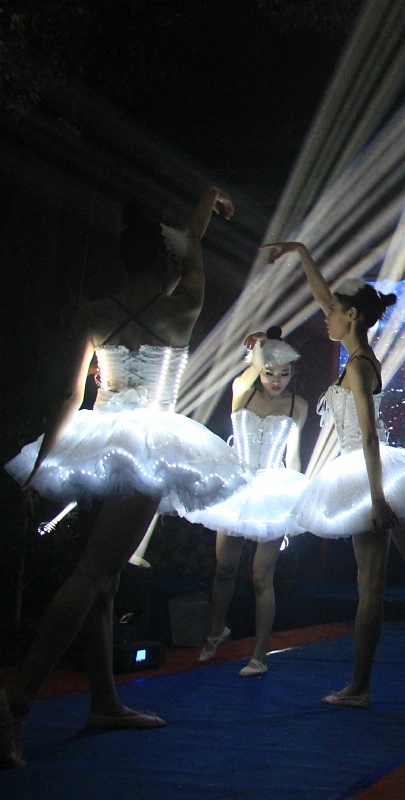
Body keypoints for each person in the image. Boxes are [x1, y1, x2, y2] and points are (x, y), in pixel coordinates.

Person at [1, 188, 241, 768]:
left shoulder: (93, 313)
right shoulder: (183, 307)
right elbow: (192, 251)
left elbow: (69, 397)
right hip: (148, 447)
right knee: (92, 573)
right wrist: (207, 203)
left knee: (103, 579)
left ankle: (104, 702)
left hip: (96, 441)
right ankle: (15, 706)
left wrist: (42, 465)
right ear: (167, 263)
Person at [265, 241, 405, 705]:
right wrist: (302, 252)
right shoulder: (357, 354)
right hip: (375, 471)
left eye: (334, 311)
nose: (325, 316)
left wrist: (378, 498)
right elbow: (324, 297)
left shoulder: (361, 366)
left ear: (352, 317)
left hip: (369, 473)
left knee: (371, 585)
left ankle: (360, 688)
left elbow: (367, 436)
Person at [185, 327, 309, 676]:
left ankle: (260, 655)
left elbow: (293, 457)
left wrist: (296, 501)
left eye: (284, 374)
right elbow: (252, 369)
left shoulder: (297, 405)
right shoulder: (242, 390)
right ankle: (215, 632)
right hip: (236, 485)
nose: (276, 380)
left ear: (293, 373)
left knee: (260, 576)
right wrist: (260, 346)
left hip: (273, 490)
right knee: (224, 568)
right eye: (270, 372)